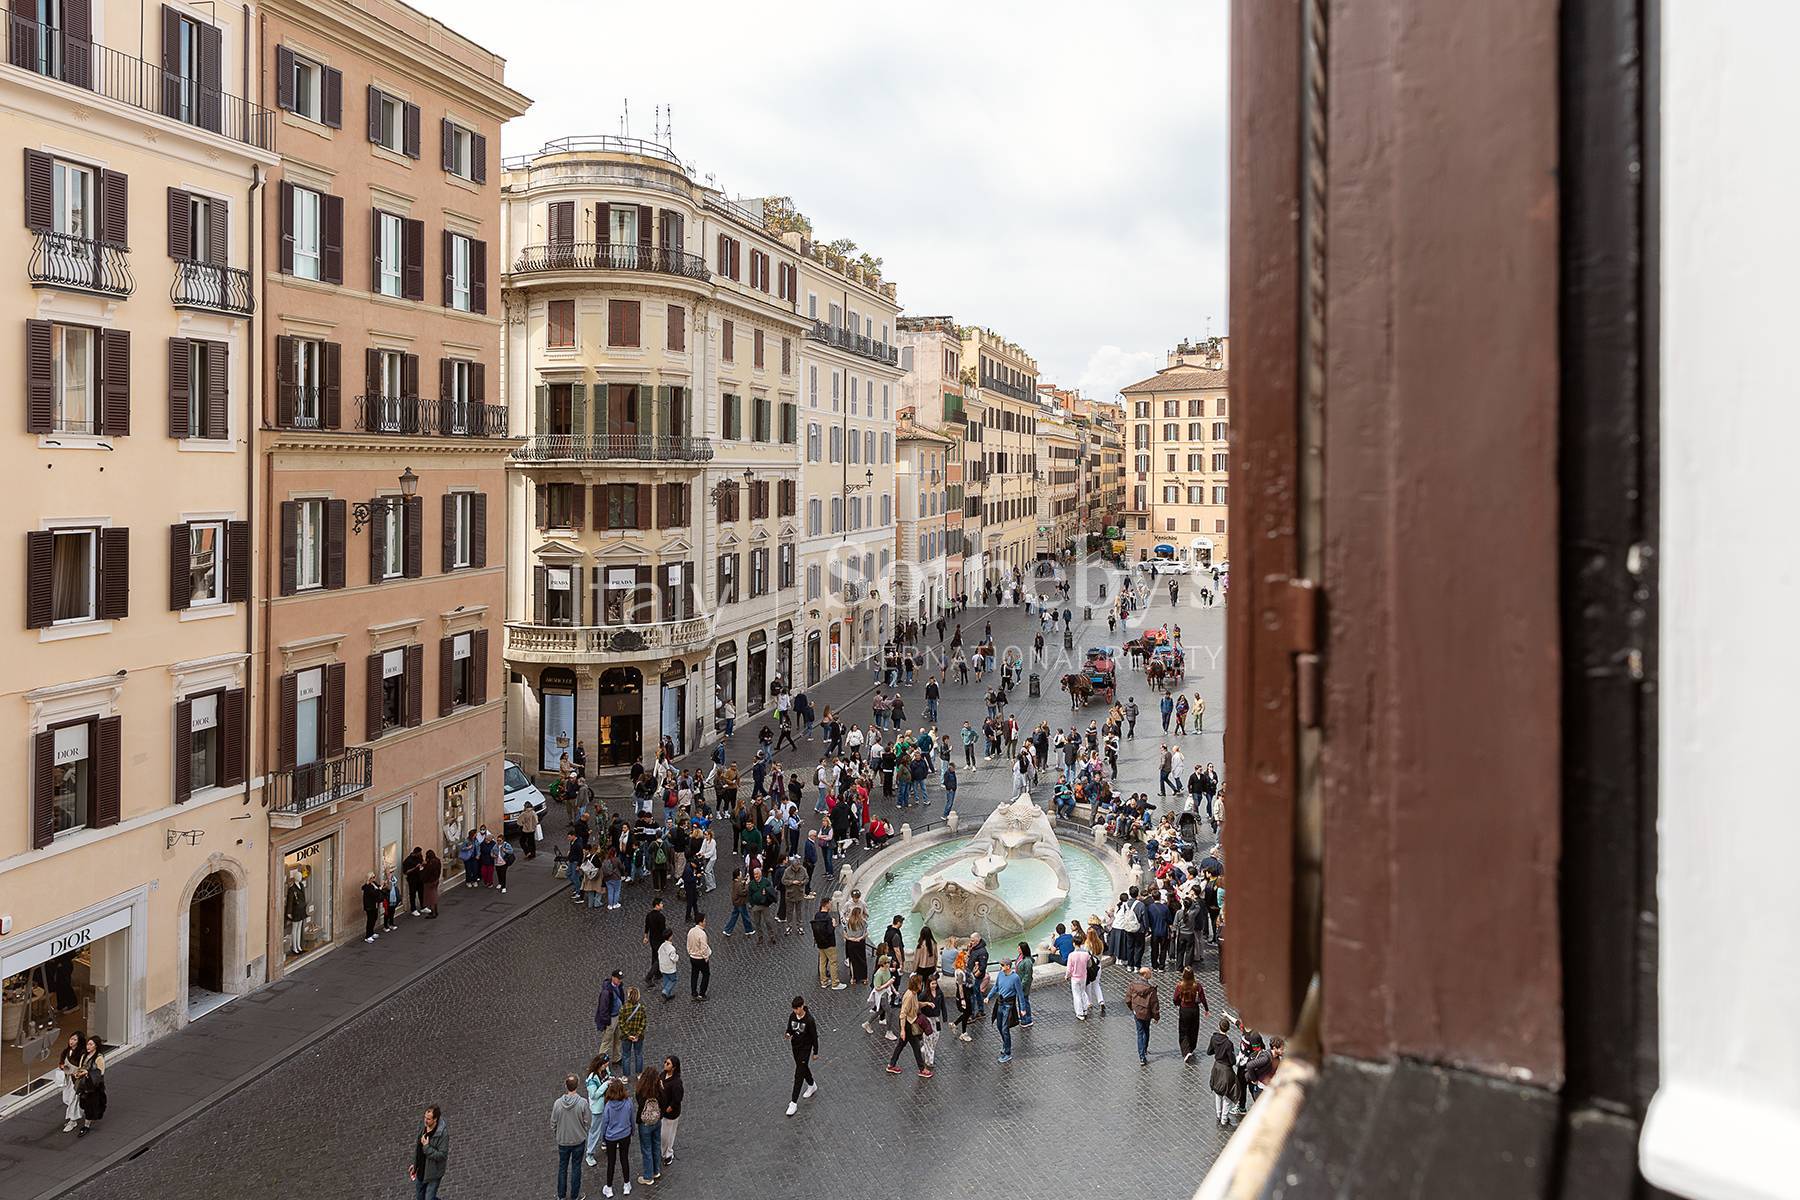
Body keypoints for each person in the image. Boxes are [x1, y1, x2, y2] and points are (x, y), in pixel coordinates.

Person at [553, 1074, 591, 1200]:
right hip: (578, 1140)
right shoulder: (582, 1103)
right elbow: (587, 1121)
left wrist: (558, 1133)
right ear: (577, 1085)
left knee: (562, 1168)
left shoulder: (558, 1104)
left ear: (566, 1086)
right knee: (576, 1168)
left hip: (563, 1141)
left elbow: (553, 1123)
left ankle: (561, 1196)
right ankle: (575, 1196)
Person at [885, 974, 932, 1076]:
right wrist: (902, 1030)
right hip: (908, 1024)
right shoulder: (910, 995)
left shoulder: (913, 994)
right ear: (917, 984)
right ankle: (922, 1069)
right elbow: (903, 1013)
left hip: (909, 1023)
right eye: (920, 983)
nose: (921, 985)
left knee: (901, 1045)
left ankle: (891, 1065)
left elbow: (916, 1004)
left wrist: (926, 1003)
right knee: (915, 1046)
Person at [598, 1075, 635, 1196]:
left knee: (611, 1162)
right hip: (625, 1134)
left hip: (611, 1137)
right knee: (624, 1159)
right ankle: (626, 1184)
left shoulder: (608, 1105)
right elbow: (631, 1118)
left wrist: (603, 1137)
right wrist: (632, 1131)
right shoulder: (628, 1102)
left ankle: (609, 1187)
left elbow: (605, 1123)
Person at [784, 995, 820, 1116]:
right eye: (794, 1009)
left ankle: (793, 1102)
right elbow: (789, 1029)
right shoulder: (792, 1016)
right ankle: (811, 1085)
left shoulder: (809, 1020)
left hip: (805, 1049)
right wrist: (788, 1034)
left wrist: (815, 1051)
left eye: (797, 1009)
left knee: (798, 1074)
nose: (795, 1011)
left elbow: (814, 1036)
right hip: (795, 1048)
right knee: (803, 1068)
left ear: (802, 1006)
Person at [408, 1104, 448, 1199]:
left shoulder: (442, 1135)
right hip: (421, 1171)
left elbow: (442, 1155)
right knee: (420, 1197)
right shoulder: (423, 1126)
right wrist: (415, 1164)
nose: (425, 1120)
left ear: (435, 1119)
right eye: (425, 1117)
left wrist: (427, 1147)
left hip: (433, 1174)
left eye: (428, 1119)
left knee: (429, 1198)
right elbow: (418, 1148)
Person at [634, 1068, 664, 1187]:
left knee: (646, 1149)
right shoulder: (660, 1091)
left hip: (645, 1123)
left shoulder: (641, 1091)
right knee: (656, 1145)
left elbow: (640, 1103)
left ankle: (648, 1176)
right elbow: (664, 1102)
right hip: (657, 1121)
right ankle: (656, 1171)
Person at [1125, 966, 1161, 1065]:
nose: (1151, 974)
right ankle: (1144, 1049)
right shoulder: (1151, 990)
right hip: (1147, 1014)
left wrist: (1133, 1009)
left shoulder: (1132, 985)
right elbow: (1154, 1004)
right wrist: (1156, 1016)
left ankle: (1142, 1056)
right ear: (1145, 975)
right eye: (1149, 973)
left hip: (1137, 1012)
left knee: (1140, 1033)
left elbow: (1128, 999)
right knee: (1146, 1031)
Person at [1175, 967, 1212, 1061]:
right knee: (1194, 1029)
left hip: (1184, 1009)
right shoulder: (1197, 985)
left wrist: (1178, 1003)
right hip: (1194, 1009)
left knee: (1183, 1031)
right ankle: (1191, 1048)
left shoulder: (1180, 986)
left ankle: (1186, 1051)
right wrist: (1206, 1009)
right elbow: (1203, 998)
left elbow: (1175, 999)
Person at [1208, 1018, 1238, 1126]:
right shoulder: (1228, 1043)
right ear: (1228, 1029)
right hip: (1226, 1070)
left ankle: (1218, 1114)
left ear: (1218, 1027)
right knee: (1228, 1094)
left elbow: (1209, 1052)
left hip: (1216, 1068)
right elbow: (1232, 1060)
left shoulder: (1213, 1038)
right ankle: (1224, 1119)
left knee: (1218, 1092)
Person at [990, 959, 1022, 1063]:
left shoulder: (1015, 978)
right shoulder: (1000, 974)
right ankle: (1005, 1043)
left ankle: (1007, 1053)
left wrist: (1023, 1008)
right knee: (999, 1026)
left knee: (1004, 1028)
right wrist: (988, 997)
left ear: (1008, 966)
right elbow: (996, 987)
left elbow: (1020, 994)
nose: (1001, 967)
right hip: (1000, 1003)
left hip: (1008, 1005)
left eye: (1002, 965)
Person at [810, 898, 845, 989]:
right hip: (829, 944)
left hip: (820, 943)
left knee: (822, 962)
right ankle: (835, 983)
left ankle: (824, 981)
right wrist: (833, 924)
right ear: (825, 905)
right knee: (833, 962)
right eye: (830, 903)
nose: (831, 905)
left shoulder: (817, 915)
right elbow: (829, 931)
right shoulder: (828, 918)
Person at [616, 987, 648, 1077]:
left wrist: (628, 1035)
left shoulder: (624, 1008)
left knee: (626, 1056)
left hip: (626, 1037)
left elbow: (621, 1023)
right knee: (638, 1054)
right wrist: (637, 1034)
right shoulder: (641, 1008)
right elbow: (643, 1023)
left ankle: (625, 1076)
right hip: (639, 1037)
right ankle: (639, 1074)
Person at [658, 1056, 684, 1167]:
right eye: (665, 1062)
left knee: (668, 1134)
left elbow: (678, 1098)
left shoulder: (677, 1082)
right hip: (662, 1109)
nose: (665, 1064)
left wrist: (670, 1107)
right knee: (663, 1133)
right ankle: (664, 1152)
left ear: (673, 1067)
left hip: (671, 1113)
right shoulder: (663, 1075)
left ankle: (668, 1153)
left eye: (668, 1063)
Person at [687, 913, 712, 1000]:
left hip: (692, 957)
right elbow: (704, 947)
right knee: (706, 974)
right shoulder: (702, 934)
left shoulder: (691, 931)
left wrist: (690, 953)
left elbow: (688, 944)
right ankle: (702, 994)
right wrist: (706, 957)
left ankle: (694, 993)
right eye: (704, 921)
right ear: (700, 922)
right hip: (700, 958)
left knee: (694, 974)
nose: (705, 922)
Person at [1014, 942, 1036, 1025]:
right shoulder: (1020, 957)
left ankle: (1027, 1019)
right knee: (1021, 1001)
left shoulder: (1027, 961)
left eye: (1019, 948)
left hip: (1023, 985)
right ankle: (1023, 1016)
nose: (1018, 949)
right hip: (1019, 983)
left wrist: (1021, 986)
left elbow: (1027, 976)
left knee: (1024, 1001)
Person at [361, 873, 384, 943]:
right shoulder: (368, 886)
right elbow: (373, 893)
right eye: (373, 877)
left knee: (375, 918)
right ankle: (368, 936)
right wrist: (380, 888)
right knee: (370, 920)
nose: (374, 878)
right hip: (370, 906)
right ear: (369, 878)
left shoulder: (374, 883)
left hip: (375, 904)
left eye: (374, 877)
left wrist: (382, 886)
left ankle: (371, 932)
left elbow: (378, 887)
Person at [656, 932, 679, 1001]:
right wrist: (677, 956)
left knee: (666, 980)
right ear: (670, 937)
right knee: (673, 980)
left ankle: (668, 995)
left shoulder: (662, 946)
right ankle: (665, 991)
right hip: (670, 968)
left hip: (662, 967)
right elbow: (674, 958)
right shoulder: (671, 948)